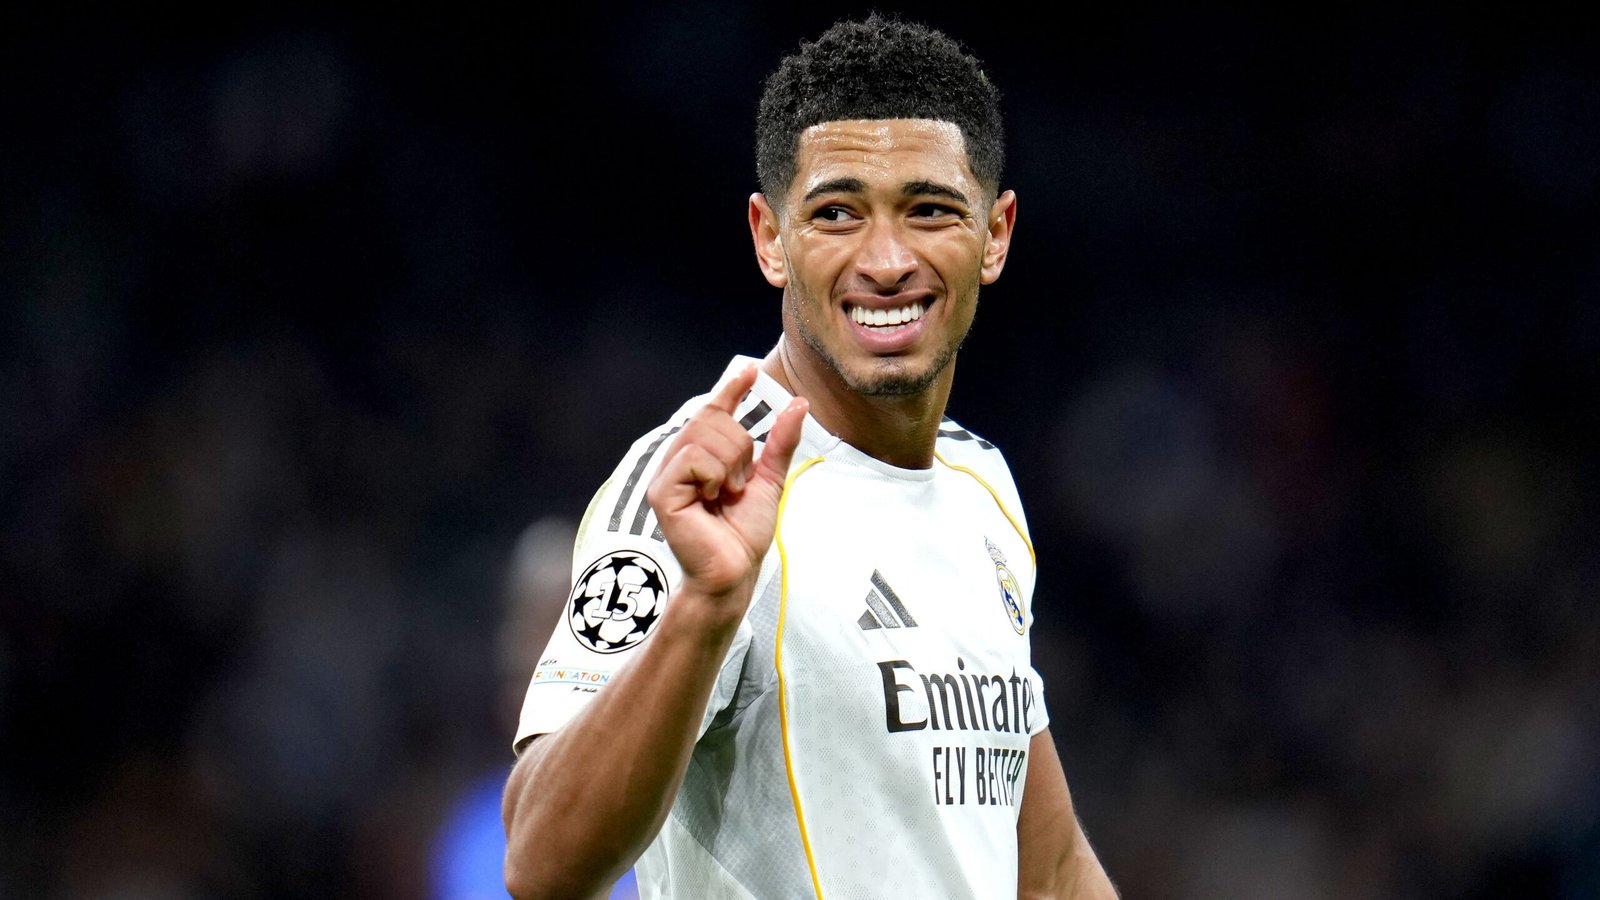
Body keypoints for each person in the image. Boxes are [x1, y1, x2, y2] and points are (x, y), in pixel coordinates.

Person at [502, 13, 1118, 899]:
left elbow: (1050, 872)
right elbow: (539, 862)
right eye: (836, 214)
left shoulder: (981, 483)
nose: (887, 261)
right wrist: (707, 606)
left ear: (996, 233)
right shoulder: (698, 490)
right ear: (770, 238)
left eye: (929, 209)